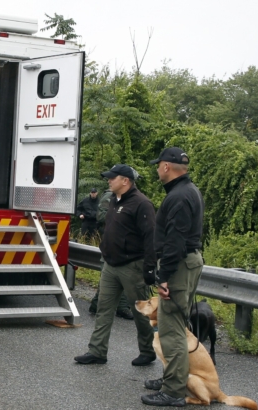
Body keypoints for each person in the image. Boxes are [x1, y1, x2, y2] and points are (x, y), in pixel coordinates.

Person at [74, 164, 157, 367]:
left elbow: (151, 237)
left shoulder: (141, 204)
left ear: (125, 181)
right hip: (110, 265)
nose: (109, 181)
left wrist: (149, 267)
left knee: (140, 311)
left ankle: (147, 351)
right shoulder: (113, 199)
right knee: (104, 308)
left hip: (132, 266)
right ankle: (97, 351)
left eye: (113, 178)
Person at [141, 147, 205, 407]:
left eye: (159, 165)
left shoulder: (178, 196)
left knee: (171, 331)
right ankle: (172, 378)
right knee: (175, 326)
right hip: (186, 262)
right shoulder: (188, 190)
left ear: (167, 167)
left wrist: (163, 276)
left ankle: (174, 391)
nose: (157, 169)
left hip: (178, 266)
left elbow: (175, 240)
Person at [88, 189, 134, 319]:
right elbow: (101, 216)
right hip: (111, 241)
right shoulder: (109, 196)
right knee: (108, 277)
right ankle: (97, 305)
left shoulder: (128, 197)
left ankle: (122, 307)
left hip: (123, 242)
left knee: (124, 275)